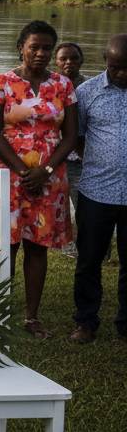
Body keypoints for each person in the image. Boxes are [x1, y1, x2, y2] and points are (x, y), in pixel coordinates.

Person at [0, 20, 77, 340]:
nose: (41, 53)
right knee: (4, 247)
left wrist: (45, 171)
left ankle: (31, 317)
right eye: (34, 46)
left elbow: (70, 136)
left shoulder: (63, 85)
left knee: (37, 247)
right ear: (21, 46)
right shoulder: (2, 82)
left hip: (50, 178)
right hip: (8, 176)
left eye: (47, 48)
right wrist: (23, 171)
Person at [69, 33, 127, 344]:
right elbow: (75, 137)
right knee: (89, 259)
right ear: (105, 61)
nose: (122, 74)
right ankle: (86, 321)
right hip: (96, 190)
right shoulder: (87, 93)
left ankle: (125, 323)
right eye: (117, 67)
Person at [55, 42, 85, 224]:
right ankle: (65, 246)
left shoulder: (90, 87)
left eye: (74, 58)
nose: (69, 62)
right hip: (55, 157)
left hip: (80, 158)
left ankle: (88, 247)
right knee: (56, 207)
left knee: (83, 207)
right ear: (56, 61)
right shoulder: (49, 85)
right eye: (63, 58)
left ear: (82, 60)